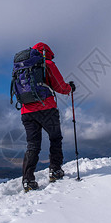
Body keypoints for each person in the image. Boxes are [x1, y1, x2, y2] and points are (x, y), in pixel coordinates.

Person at [21, 42, 76, 192]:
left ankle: (27, 180)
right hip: (46, 109)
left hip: (26, 111)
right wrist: (70, 88)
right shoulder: (47, 63)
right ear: (47, 52)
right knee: (55, 138)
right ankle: (55, 170)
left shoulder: (22, 66)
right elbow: (60, 86)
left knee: (32, 145)